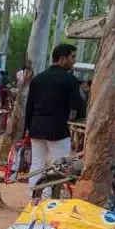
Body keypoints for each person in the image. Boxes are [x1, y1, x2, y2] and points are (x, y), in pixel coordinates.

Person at [25, 44, 86, 199]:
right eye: (72, 57)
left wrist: (27, 128)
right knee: (58, 167)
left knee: (37, 164)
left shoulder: (38, 79)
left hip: (36, 128)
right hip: (57, 130)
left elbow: (29, 106)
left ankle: (34, 199)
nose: (73, 61)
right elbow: (77, 106)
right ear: (63, 58)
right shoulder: (70, 80)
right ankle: (49, 200)